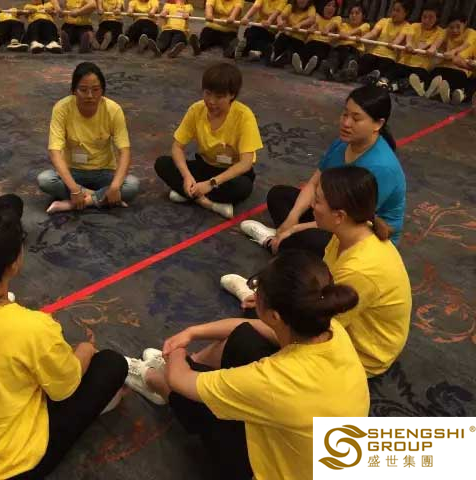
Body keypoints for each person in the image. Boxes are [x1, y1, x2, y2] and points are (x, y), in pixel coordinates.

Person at [0, 194, 128, 479]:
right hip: (6, 468)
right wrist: (85, 350)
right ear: (13, 263)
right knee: (112, 364)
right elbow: (65, 388)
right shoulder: (33, 328)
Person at [124, 249, 369, 480]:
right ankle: (174, 370)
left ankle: (152, 380)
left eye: (258, 289)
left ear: (275, 315)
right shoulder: (329, 329)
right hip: (324, 456)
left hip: (270, 471)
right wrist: (191, 332)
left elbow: (181, 380)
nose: (254, 292)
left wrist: (174, 350)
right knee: (244, 339)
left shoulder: (274, 380)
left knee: (194, 399)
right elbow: (249, 326)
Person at [240, 85, 405, 255]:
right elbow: (314, 184)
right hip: (333, 211)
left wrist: (295, 228)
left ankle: (274, 242)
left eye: (356, 119)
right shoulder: (343, 143)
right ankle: (289, 242)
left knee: (314, 240)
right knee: (279, 195)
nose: (346, 123)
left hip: (363, 232)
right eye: (345, 114)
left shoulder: (381, 168)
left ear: (378, 124)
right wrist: (292, 218)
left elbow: (349, 221)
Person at [314, 166, 412, 376]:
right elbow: (324, 280)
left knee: (250, 337)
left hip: (362, 355)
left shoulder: (359, 270)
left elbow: (319, 330)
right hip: (340, 322)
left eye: (317, 201)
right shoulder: (349, 233)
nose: (312, 206)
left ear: (339, 215)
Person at [154, 63, 263, 219]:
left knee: (243, 187)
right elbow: (177, 147)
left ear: (232, 95)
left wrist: (211, 183)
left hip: (231, 173)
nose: (211, 101)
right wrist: (187, 177)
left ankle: (188, 194)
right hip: (205, 166)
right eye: (207, 93)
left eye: (219, 97)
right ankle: (208, 202)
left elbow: (246, 163)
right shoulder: (196, 110)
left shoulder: (244, 116)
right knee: (162, 164)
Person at [38, 62, 140, 213]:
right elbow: (54, 152)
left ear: (103, 90)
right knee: (46, 179)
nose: (90, 95)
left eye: (96, 89)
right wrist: (74, 189)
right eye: (83, 90)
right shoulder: (62, 108)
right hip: (73, 171)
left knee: (132, 184)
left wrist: (114, 187)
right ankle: (100, 198)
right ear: (74, 90)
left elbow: (125, 151)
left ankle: (75, 203)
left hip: (104, 171)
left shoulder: (113, 109)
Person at [379, 1, 444, 94]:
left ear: (437, 18)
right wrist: (409, 45)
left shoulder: (440, 32)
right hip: (404, 62)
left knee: (419, 77)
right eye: (424, 17)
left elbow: (432, 45)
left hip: (421, 67)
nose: (426, 20)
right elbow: (409, 39)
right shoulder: (414, 26)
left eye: (431, 17)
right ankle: (383, 83)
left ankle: (396, 86)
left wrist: (429, 49)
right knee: (391, 72)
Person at [356, 0, 411, 83]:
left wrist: (394, 44)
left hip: (390, 57)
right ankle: (354, 73)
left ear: (405, 13)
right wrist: (362, 38)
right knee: (367, 59)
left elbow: (400, 38)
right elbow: (373, 33)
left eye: (398, 11)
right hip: (375, 53)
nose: (394, 13)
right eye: (393, 10)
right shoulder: (384, 21)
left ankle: (371, 78)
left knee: (385, 64)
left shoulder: (407, 26)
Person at [427, 14, 475, 104]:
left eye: (458, 27)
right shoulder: (446, 31)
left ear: (465, 23)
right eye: (451, 27)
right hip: (444, 65)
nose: (454, 30)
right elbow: (438, 41)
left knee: (459, 79)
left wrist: (453, 51)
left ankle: (449, 93)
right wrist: (432, 48)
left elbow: (466, 44)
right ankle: (436, 90)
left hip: (460, 69)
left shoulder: (471, 33)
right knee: (435, 73)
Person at [323, 1, 370, 81]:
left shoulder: (365, 25)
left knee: (351, 58)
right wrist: (339, 36)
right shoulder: (344, 25)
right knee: (334, 56)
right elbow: (331, 39)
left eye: (357, 13)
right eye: (351, 13)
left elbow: (360, 30)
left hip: (354, 50)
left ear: (363, 16)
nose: (353, 15)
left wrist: (348, 34)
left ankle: (346, 73)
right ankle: (330, 70)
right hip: (340, 49)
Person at [292, 0, 340, 75]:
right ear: (322, 6)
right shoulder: (317, 16)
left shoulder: (337, 18)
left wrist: (327, 29)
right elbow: (314, 26)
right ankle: (300, 66)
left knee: (318, 53)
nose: (331, 8)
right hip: (312, 41)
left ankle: (310, 67)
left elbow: (334, 24)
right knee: (306, 48)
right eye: (328, 5)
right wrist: (311, 29)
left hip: (325, 44)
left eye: (334, 6)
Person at [269, 0, 316, 67]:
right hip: (286, 35)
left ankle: (282, 58)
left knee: (292, 51)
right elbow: (280, 16)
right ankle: (273, 55)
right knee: (280, 42)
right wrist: (280, 22)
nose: (302, 1)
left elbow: (312, 19)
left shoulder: (311, 8)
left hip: (298, 39)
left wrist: (300, 24)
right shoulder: (290, 6)